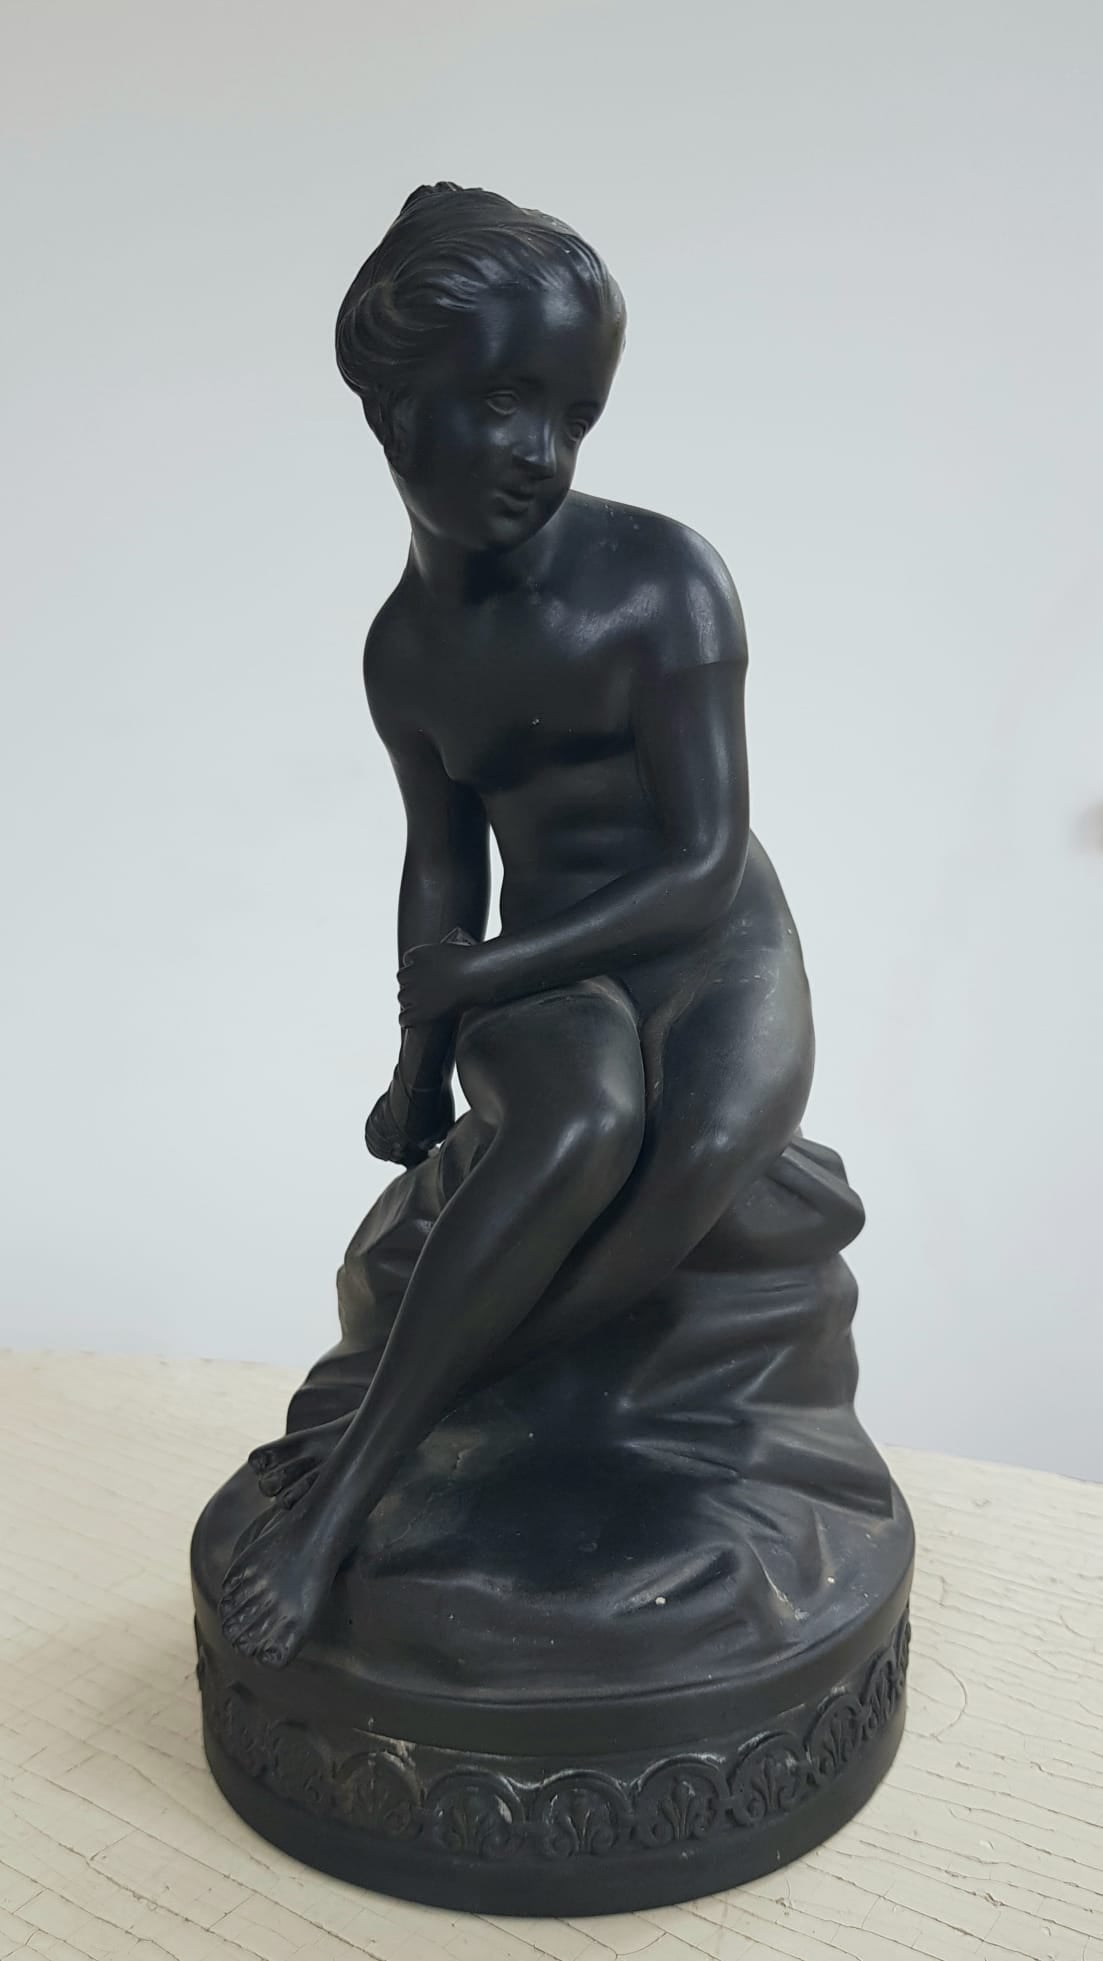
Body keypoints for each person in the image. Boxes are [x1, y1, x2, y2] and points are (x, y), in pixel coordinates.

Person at [219, 184, 815, 1668]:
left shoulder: (665, 581)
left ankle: (423, 1418)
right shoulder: (405, 653)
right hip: (546, 965)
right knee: (579, 1120)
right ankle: (338, 1509)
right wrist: (421, 1065)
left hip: (713, 948)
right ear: (391, 411)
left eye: (575, 412)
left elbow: (702, 862)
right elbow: (443, 864)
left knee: (687, 1161)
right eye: (502, 402)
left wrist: (478, 975)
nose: (543, 451)